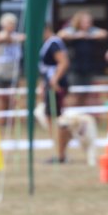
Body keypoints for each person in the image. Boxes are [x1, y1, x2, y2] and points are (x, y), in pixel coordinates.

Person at [58, 10, 108, 106]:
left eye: (89, 22)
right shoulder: (73, 30)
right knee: (73, 93)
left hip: (88, 68)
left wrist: (88, 36)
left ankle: (80, 112)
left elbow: (104, 33)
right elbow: (61, 34)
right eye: (85, 22)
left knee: (85, 94)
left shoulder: (91, 31)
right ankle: (70, 112)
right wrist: (77, 36)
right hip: (74, 69)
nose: (88, 24)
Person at [38, 23, 70, 164]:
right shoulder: (48, 44)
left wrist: (54, 80)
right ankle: (58, 151)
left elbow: (63, 62)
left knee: (57, 119)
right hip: (50, 83)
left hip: (55, 85)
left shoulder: (54, 43)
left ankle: (60, 153)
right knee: (51, 118)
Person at [0, 12, 25, 121]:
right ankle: (4, 120)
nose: (12, 26)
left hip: (14, 69)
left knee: (13, 96)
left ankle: (12, 119)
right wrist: (12, 36)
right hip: (1, 70)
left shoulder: (17, 35)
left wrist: (15, 38)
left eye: (13, 23)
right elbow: (4, 38)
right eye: (9, 23)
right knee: (3, 97)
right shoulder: (0, 35)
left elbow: (23, 38)